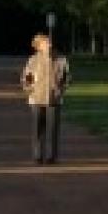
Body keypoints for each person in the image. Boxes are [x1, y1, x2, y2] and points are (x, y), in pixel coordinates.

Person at [21, 33, 69, 165]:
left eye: (49, 42)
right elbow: (26, 78)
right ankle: (37, 155)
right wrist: (30, 91)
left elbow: (67, 78)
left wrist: (60, 91)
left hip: (54, 100)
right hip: (37, 99)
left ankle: (51, 156)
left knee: (53, 129)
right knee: (37, 128)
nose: (49, 45)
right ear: (39, 46)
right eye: (46, 43)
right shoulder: (33, 60)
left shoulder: (61, 59)